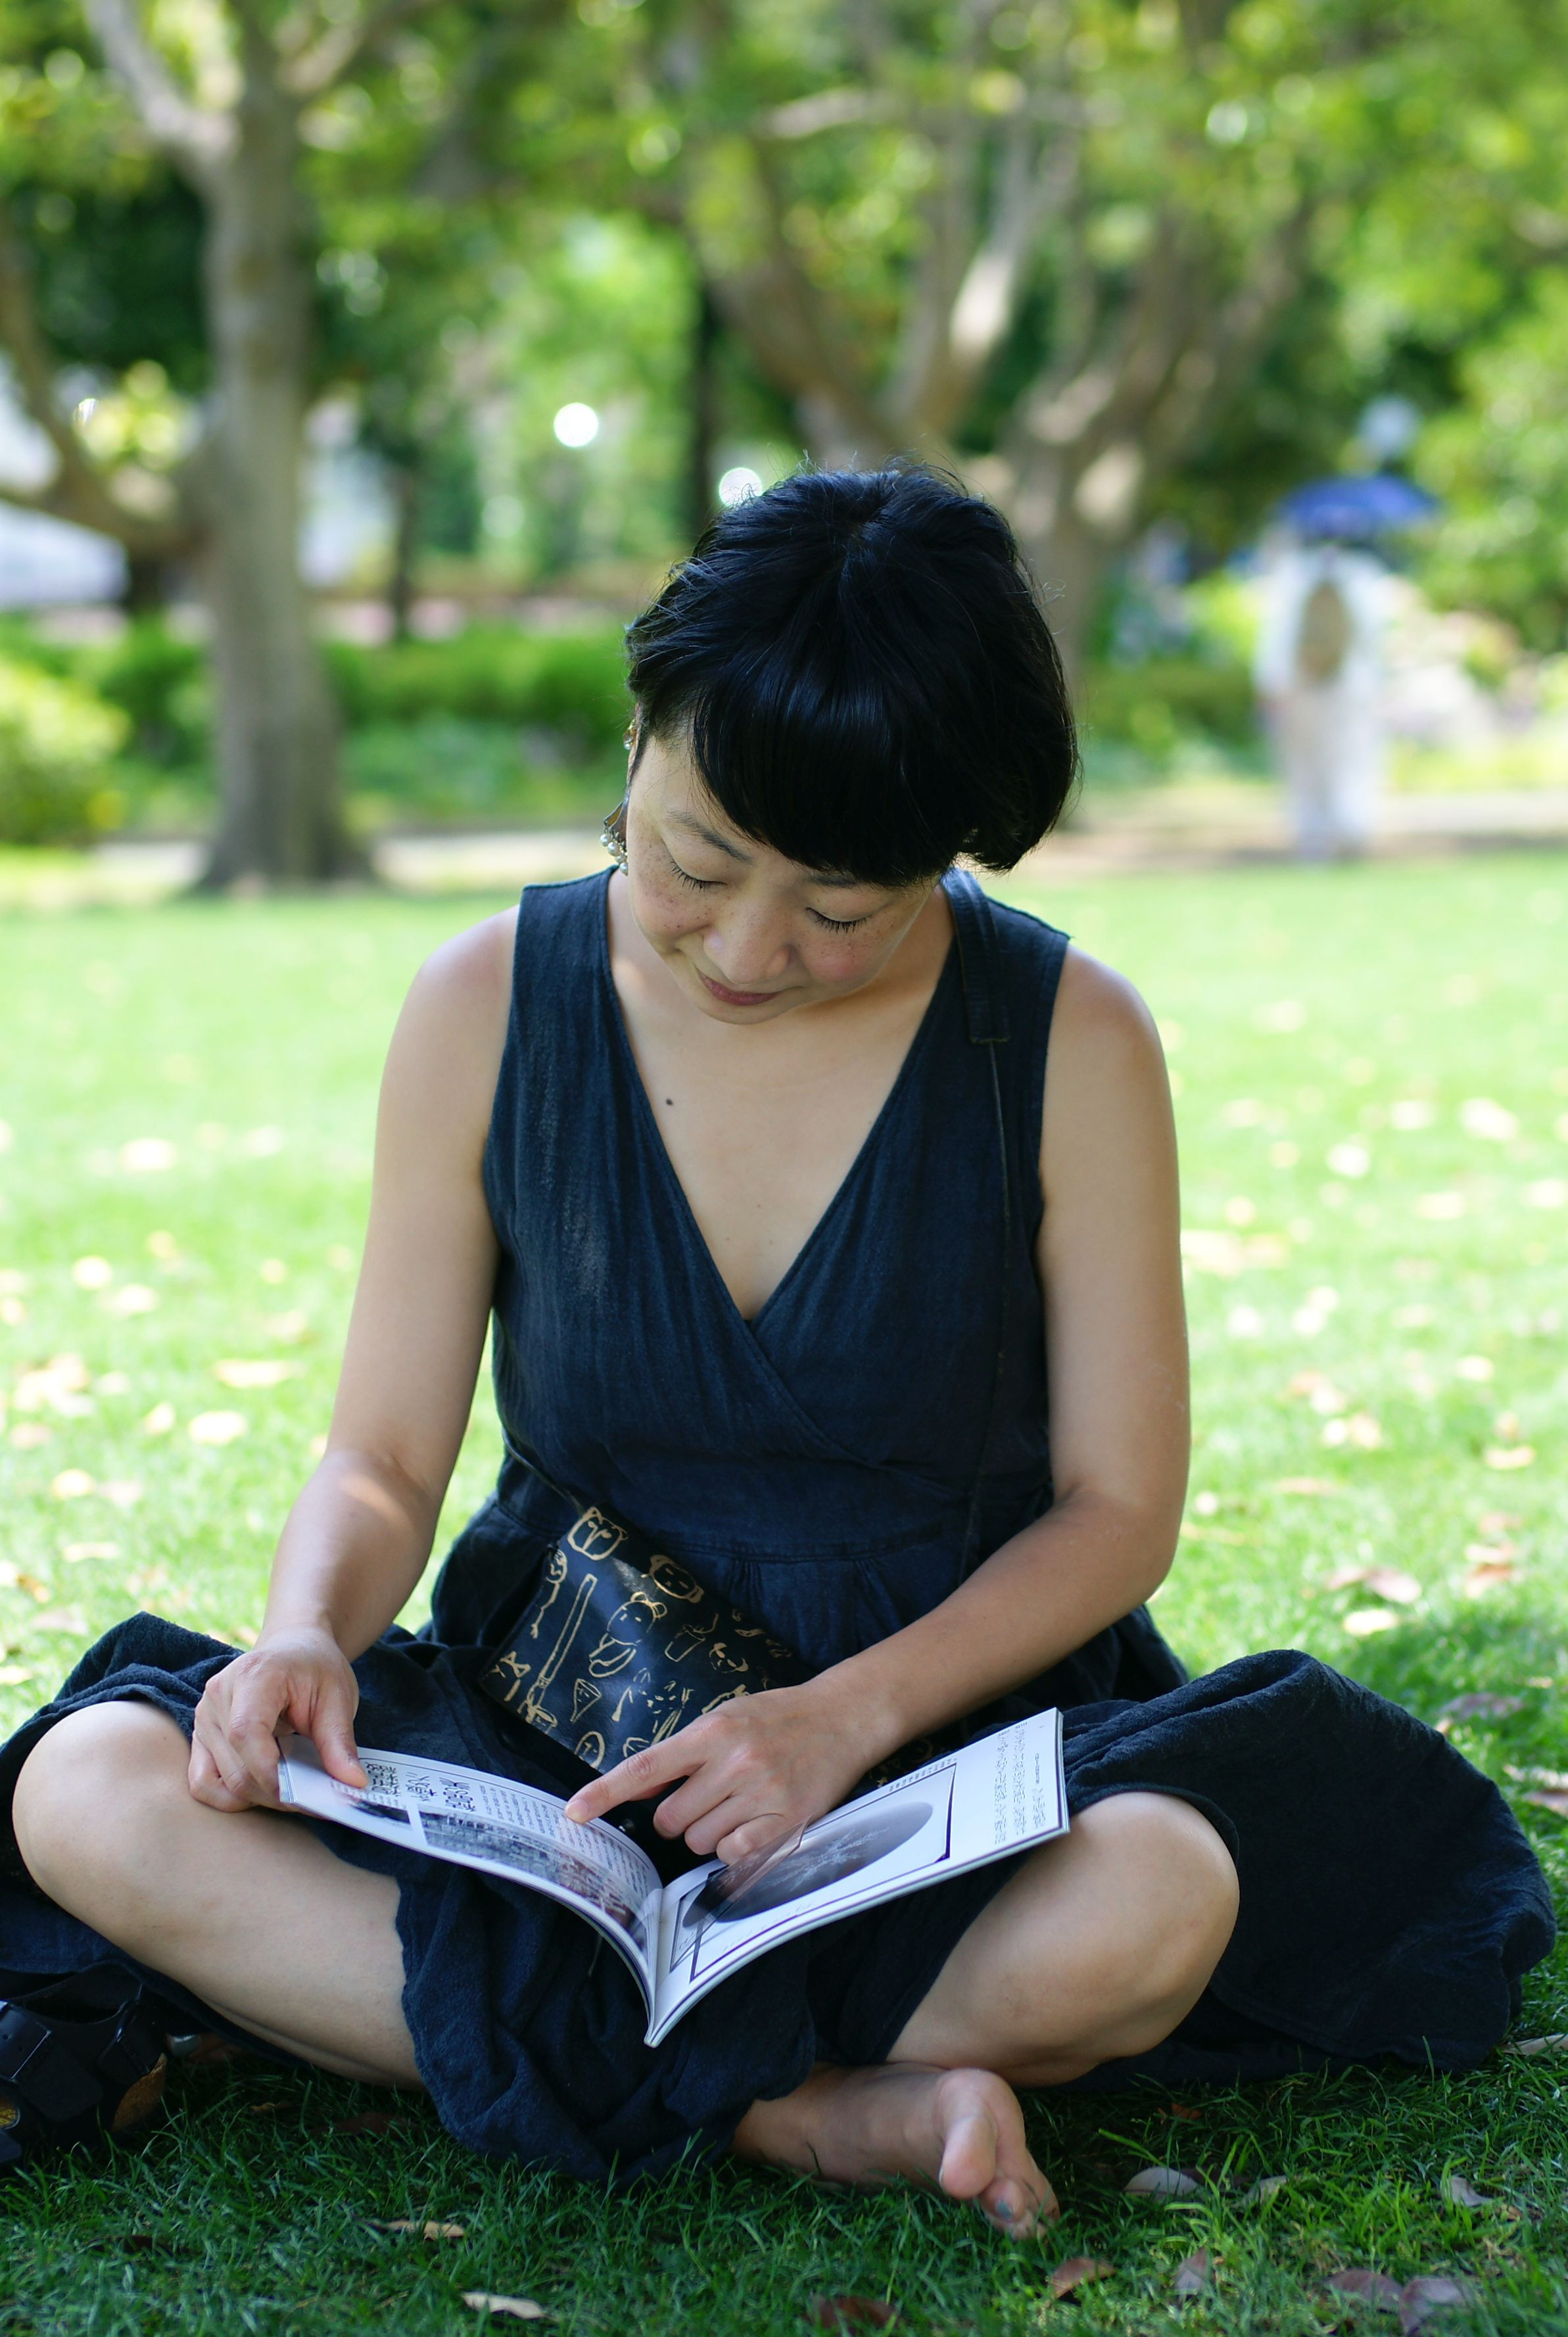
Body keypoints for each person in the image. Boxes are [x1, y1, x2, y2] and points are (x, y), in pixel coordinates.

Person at [0, 469, 1550, 2220]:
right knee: (89, 1788)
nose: (747, 947)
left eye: (840, 907)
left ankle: (551, 2048)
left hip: (938, 1747)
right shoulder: (486, 1003)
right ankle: (802, 2112)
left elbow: (1117, 1511)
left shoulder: (1068, 1040)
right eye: (693, 861)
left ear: (949, 850)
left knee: (1153, 1899)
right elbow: (384, 1456)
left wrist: (835, 1721)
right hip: (556, 1733)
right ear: (639, 740)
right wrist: (307, 1628)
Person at [1254, 534, 1389, 861]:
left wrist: (1271, 689)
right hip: (1352, 689)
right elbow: (1376, 642)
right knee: (1351, 760)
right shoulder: (1365, 576)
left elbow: (1275, 641)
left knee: (1305, 768)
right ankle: (1351, 827)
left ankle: (1315, 837)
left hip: (1302, 687)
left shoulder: (1291, 575)